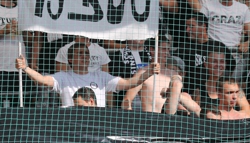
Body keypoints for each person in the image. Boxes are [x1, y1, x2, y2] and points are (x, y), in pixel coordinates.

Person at [15, 42, 159, 108]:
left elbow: (129, 83)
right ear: (70, 59)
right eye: (80, 54)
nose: (85, 57)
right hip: (71, 127)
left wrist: (149, 73)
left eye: (86, 54)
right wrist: (26, 67)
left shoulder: (101, 76)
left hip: (97, 127)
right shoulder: (63, 76)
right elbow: (43, 81)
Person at [121, 36, 198, 115]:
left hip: (170, 121)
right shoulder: (143, 73)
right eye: (164, 49)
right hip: (150, 121)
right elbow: (127, 100)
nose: (167, 52)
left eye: (168, 49)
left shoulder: (174, 74)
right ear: (152, 50)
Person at [201, 0, 250, 80]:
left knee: (232, 86)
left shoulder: (243, 8)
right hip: (214, 54)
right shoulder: (208, 6)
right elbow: (200, 30)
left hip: (235, 54)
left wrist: (247, 43)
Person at [197, 47, 250, 118]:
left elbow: (247, 111)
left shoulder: (235, 88)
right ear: (206, 64)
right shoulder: (199, 90)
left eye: (222, 61)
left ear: (225, 64)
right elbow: (196, 114)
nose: (218, 65)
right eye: (214, 61)